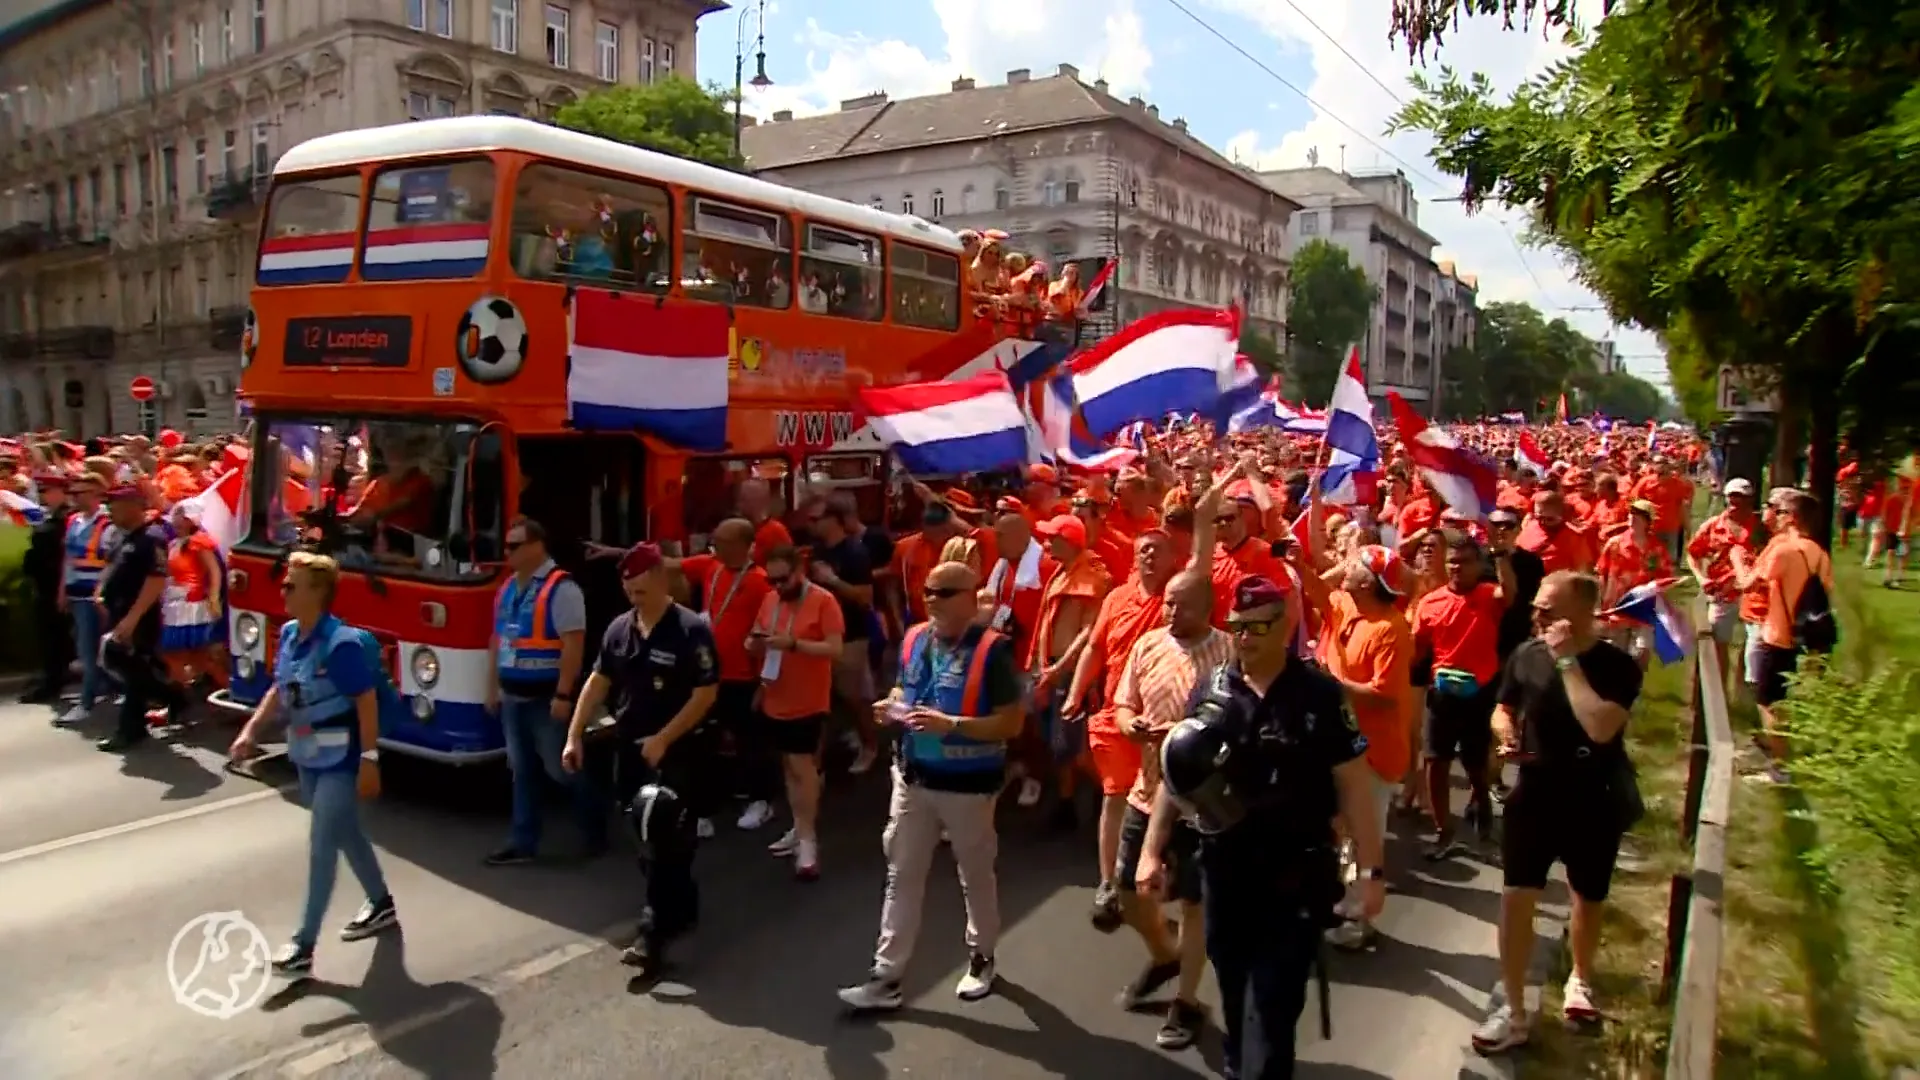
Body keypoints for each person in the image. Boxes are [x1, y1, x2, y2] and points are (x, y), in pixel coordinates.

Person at [1144, 575, 1387, 1080]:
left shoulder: (1319, 694)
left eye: (1259, 626)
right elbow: (1179, 773)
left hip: (1295, 872)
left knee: (1275, 1004)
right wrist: (1152, 849)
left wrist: (1372, 870)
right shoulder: (1212, 689)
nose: (1247, 637)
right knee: (1233, 984)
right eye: (1239, 627)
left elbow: (1355, 785)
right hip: (1225, 869)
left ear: (1286, 626)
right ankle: (1239, 1063)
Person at [837, 560, 1026, 1012]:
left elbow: (1013, 722)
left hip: (969, 787)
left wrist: (952, 725)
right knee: (901, 874)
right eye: (927, 591)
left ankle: (982, 956)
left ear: (969, 596)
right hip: (913, 778)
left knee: (974, 873)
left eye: (943, 592)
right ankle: (886, 977)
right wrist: (892, 707)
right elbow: (907, 688)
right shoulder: (915, 638)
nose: (931, 600)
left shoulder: (992, 651)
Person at [1474, 571, 1643, 1053]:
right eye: (1537, 607)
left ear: (1584, 614)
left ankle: (1580, 979)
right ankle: (1513, 1007)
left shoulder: (1617, 667)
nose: (1537, 616)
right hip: (1536, 793)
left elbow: (1601, 728)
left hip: (1594, 794)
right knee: (1515, 896)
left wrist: (1567, 662)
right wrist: (1504, 730)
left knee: (1587, 896)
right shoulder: (1526, 655)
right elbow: (1503, 706)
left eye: (1548, 610)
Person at [229, 552, 398, 974]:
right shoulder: (289, 634)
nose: (283, 590)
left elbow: (365, 699)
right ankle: (381, 903)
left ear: (318, 592)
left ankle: (303, 946)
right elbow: (279, 689)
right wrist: (251, 730)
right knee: (346, 832)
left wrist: (370, 759)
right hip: (306, 752)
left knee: (322, 844)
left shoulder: (339, 645)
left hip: (341, 755)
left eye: (291, 585)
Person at [561, 542, 720, 976]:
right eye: (630, 591)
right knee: (644, 833)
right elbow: (597, 682)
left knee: (664, 830)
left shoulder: (689, 630)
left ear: (661, 580)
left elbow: (706, 693)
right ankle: (681, 904)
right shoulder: (619, 629)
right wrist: (575, 735)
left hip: (678, 749)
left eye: (643, 590)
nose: (636, 598)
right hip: (631, 749)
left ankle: (653, 932)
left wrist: (665, 738)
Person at [1110, 568, 1233, 1050]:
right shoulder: (1148, 646)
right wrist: (1130, 726)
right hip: (1147, 791)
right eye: (1166, 602)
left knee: (1195, 902)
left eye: (1180, 604)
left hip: (1202, 802)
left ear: (1207, 607)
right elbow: (1121, 705)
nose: (1169, 612)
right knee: (1127, 891)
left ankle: (1187, 1000)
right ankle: (1166, 954)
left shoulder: (1228, 652)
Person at [486, 517, 600, 866]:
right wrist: (492, 687)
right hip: (512, 696)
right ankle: (523, 841)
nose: (507, 552)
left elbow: (573, 645)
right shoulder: (507, 588)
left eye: (514, 546)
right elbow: (498, 640)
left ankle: (594, 830)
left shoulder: (562, 588)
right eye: (506, 545)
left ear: (537, 546)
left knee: (562, 768)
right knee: (522, 771)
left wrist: (564, 696)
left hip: (545, 698)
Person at [745, 544, 845, 880]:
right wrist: (755, 644)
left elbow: (834, 648)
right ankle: (799, 825)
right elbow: (759, 635)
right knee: (789, 767)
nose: (777, 587)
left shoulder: (823, 601)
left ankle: (807, 839)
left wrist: (794, 645)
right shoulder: (771, 600)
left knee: (803, 767)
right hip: (776, 696)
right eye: (771, 581)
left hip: (809, 700)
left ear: (798, 571)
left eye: (783, 579)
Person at [673, 518, 777, 832]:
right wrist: (615, 553)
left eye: (723, 542)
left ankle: (760, 801)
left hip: (744, 676)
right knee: (703, 742)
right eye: (715, 541)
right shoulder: (711, 567)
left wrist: (764, 683)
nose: (715, 547)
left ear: (745, 546)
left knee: (751, 741)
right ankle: (702, 811)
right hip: (710, 673)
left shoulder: (761, 582)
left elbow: (770, 636)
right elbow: (666, 564)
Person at [1728, 489, 1835, 785]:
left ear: (1792, 518)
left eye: (1780, 511)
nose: (1774, 516)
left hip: (1777, 635)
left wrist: (1737, 558)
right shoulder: (1818, 552)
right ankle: (1774, 750)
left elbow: (1748, 585)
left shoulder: (1783, 549)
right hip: (1804, 637)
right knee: (1783, 700)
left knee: (1768, 702)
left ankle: (1778, 768)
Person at [806, 494, 881, 774]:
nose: (811, 524)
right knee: (822, 698)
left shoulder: (854, 552)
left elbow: (865, 597)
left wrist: (832, 580)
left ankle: (871, 745)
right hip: (821, 635)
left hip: (851, 635)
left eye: (816, 519)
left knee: (854, 695)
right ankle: (819, 760)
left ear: (834, 520)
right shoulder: (818, 550)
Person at [93, 485, 169, 752]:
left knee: (133, 670)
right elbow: (111, 566)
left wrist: (133, 618)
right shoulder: (121, 536)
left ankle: (130, 729)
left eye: (117, 504)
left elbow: (156, 579)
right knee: (130, 667)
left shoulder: (152, 537)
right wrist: (100, 592)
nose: (111, 509)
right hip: (118, 612)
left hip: (140, 617)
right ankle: (173, 697)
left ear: (135, 505)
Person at [54, 471, 115, 726]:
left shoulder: (107, 523)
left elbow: (111, 561)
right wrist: (62, 591)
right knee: (89, 649)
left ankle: (87, 702)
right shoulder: (73, 521)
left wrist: (101, 592)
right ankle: (107, 690)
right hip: (77, 593)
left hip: (97, 595)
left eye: (80, 493)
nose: (74, 497)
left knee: (90, 650)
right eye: (73, 493)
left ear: (96, 494)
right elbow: (68, 559)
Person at [22, 472, 73, 704]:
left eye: (47, 491)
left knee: (55, 636)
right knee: (50, 636)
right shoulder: (50, 518)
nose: (43, 496)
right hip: (45, 585)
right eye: (41, 491)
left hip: (56, 585)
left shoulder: (67, 520)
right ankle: (54, 675)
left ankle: (53, 681)